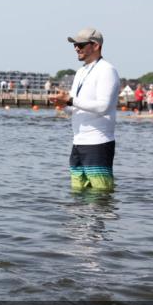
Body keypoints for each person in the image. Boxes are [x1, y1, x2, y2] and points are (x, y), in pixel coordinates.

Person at [50, 27, 120, 192]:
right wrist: (62, 106)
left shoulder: (107, 70)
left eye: (81, 45)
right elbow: (74, 106)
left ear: (95, 46)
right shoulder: (81, 72)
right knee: (77, 196)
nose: (76, 48)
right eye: (75, 45)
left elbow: (103, 106)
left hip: (98, 143)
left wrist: (70, 100)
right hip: (78, 143)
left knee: (101, 196)